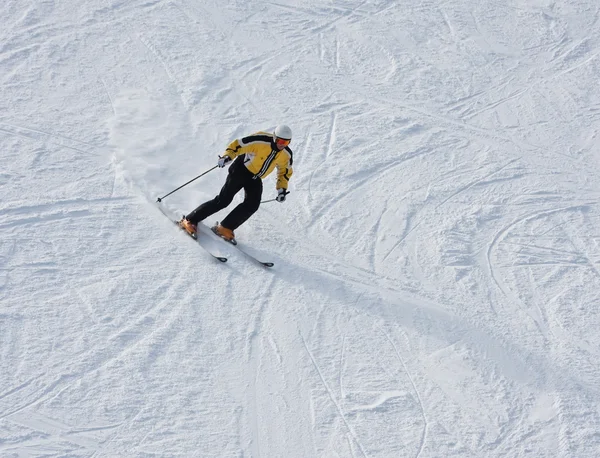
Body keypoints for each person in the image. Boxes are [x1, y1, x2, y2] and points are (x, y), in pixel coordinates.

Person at [179, 125, 294, 243]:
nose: (282, 144)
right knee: (223, 200)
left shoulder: (286, 154)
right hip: (241, 169)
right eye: (280, 141)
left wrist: (281, 189)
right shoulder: (260, 141)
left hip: (255, 177)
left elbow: (284, 172)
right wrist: (227, 157)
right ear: (274, 137)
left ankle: (225, 227)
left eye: (286, 142)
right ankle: (190, 220)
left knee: (252, 205)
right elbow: (238, 145)